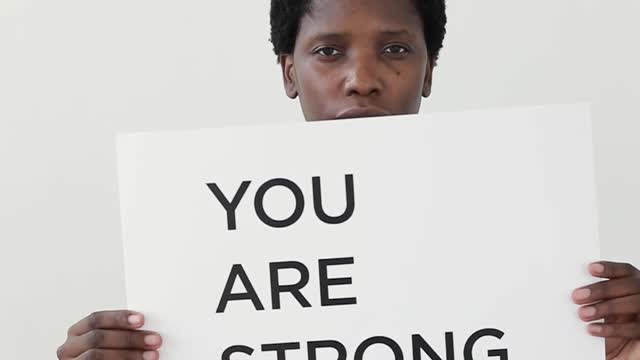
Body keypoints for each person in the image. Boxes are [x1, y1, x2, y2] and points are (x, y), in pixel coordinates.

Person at [56, 0, 640, 359]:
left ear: (428, 71)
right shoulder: (197, 247)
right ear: (290, 71)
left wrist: (618, 348)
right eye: (329, 52)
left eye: (394, 48)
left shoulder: (535, 244)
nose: (362, 79)